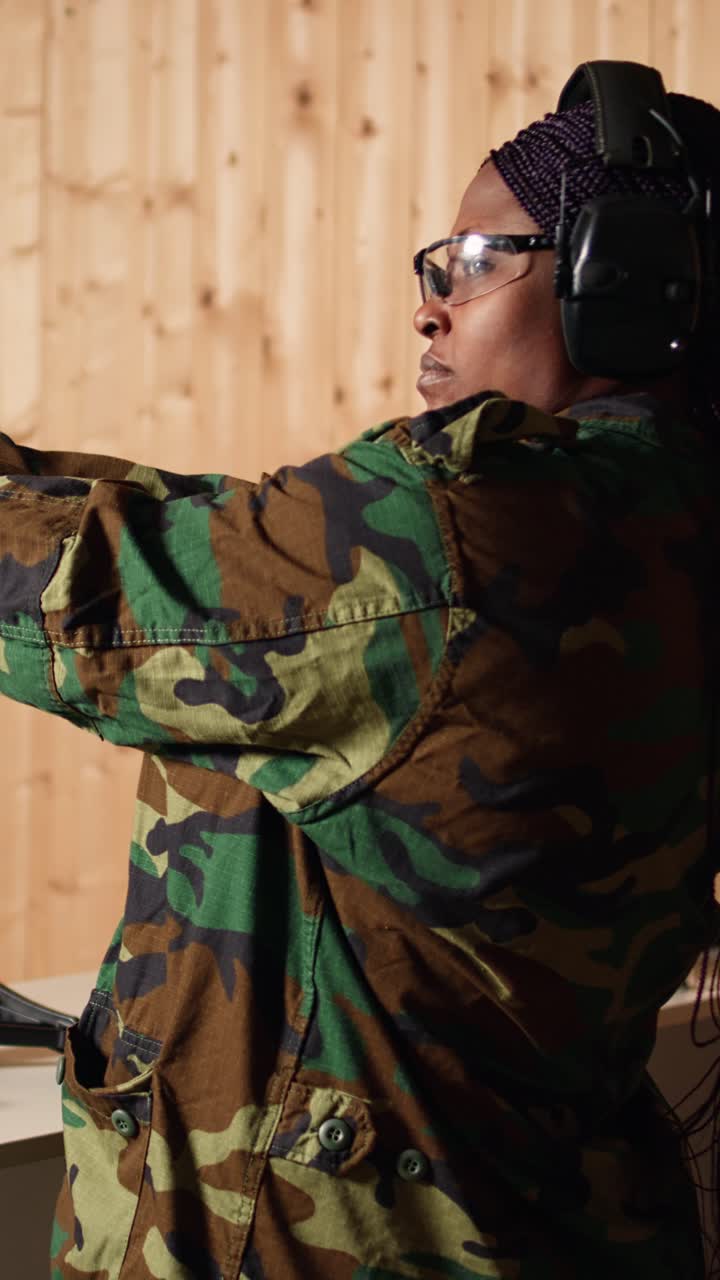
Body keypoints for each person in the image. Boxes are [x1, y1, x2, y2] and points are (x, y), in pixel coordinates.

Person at [1, 61, 719, 1280]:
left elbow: (84, 601)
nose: (434, 305)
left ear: (625, 290)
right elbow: (223, 534)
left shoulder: (470, 532)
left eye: (481, 259)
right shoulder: (656, 514)